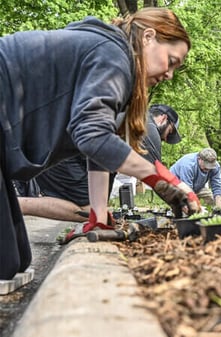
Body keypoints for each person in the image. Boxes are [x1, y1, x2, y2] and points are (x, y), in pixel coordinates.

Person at [0, 8, 200, 281]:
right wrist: (162, 179)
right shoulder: (113, 56)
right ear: (149, 37)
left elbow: (96, 149)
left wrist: (98, 216)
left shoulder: (112, 56)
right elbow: (92, 136)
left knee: (18, 261)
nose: (170, 74)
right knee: (5, 267)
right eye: (172, 61)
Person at [15, 104, 183, 222]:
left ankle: (17, 204)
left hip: (52, 145)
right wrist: (184, 206)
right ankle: (16, 205)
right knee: (90, 211)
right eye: (170, 132)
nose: (165, 139)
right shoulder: (147, 126)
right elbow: (157, 178)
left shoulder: (129, 117)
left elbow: (106, 162)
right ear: (163, 118)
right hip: (57, 151)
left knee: (97, 210)